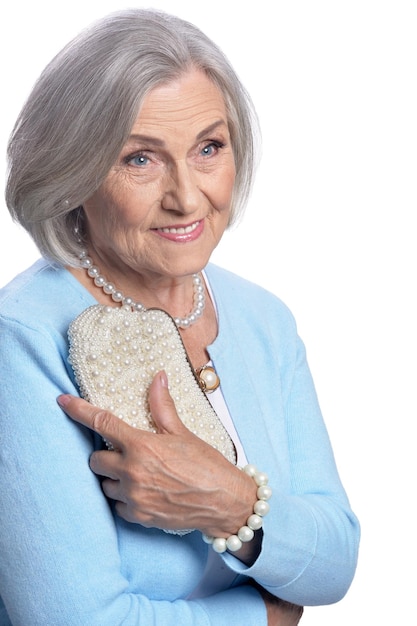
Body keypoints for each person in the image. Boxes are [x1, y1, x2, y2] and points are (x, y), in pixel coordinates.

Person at [0, 8, 360, 625]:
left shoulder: (262, 318)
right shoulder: (22, 338)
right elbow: (73, 619)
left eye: (208, 148)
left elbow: (336, 562)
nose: (188, 197)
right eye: (141, 159)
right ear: (73, 171)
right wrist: (264, 617)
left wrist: (229, 504)